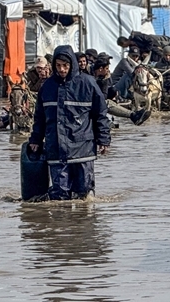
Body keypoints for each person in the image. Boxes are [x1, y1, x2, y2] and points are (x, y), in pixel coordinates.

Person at [28, 44, 110, 200]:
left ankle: (81, 222)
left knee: (84, 195)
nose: (62, 69)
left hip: (82, 149)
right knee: (60, 196)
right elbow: (39, 117)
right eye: (58, 66)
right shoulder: (47, 87)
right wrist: (35, 140)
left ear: (72, 64)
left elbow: (100, 113)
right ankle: (62, 223)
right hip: (56, 148)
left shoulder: (88, 83)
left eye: (65, 65)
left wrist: (104, 139)